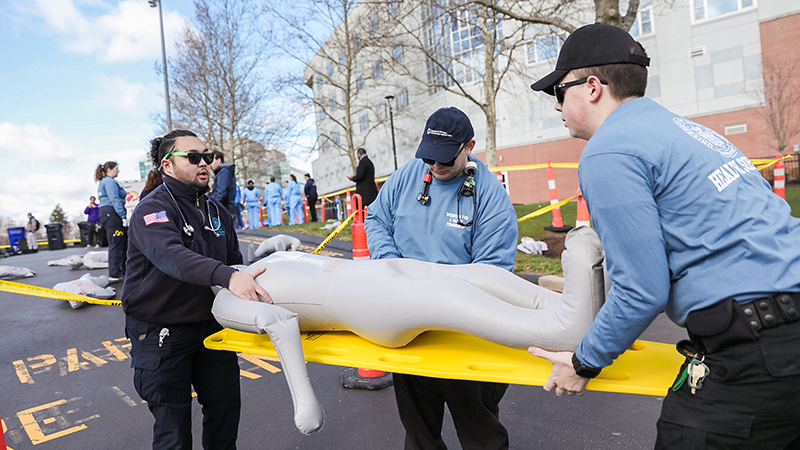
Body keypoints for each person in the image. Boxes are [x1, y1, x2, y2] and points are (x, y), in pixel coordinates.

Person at [528, 23, 800, 448]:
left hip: (752, 355)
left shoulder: (609, 150)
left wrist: (583, 362)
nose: (557, 106)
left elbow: (642, 288)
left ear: (593, 87)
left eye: (559, 92)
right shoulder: (691, 133)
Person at [211, 226, 604, 436]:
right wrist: (305, 402)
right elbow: (277, 322)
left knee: (478, 276)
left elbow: (292, 260)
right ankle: (566, 327)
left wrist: (280, 248)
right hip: (360, 299)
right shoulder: (224, 301)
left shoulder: (254, 263)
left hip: (381, 271)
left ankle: (572, 305)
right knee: (448, 294)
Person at [365, 107, 518, 450]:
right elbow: (375, 219)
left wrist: (442, 301)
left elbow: (492, 274)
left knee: (480, 430)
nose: (435, 166)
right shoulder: (409, 175)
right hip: (409, 324)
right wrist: (389, 264)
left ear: (469, 146)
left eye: (445, 159)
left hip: (463, 330)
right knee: (418, 430)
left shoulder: (490, 198)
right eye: (429, 158)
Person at [122, 129, 271, 449]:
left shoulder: (217, 212)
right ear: (167, 165)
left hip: (211, 328)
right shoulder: (152, 209)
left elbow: (235, 264)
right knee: (173, 430)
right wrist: (226, 276)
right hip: (161, 330)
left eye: (206, 156)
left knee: (225, 412)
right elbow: (170, 255)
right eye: (192, 157)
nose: (203, 163)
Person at [96, 161, 127, 281]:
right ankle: (114, 273)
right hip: (112, 213)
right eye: (116, 168)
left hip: (108, 213)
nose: (118, 171)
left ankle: (121, 270)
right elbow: (115, 199)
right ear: (109, 169)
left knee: (120, 242)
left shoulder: (106, 181)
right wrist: (122, 216)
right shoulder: (109, 182)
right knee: (116, 242)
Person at [209, 150, 237, 221]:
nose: (210, 164)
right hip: (227, 208)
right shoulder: (225, 172)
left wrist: (213, 206)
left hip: (225, 209)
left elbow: (221, 191)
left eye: (212, 161)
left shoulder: (223, 172)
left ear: (219, 160)